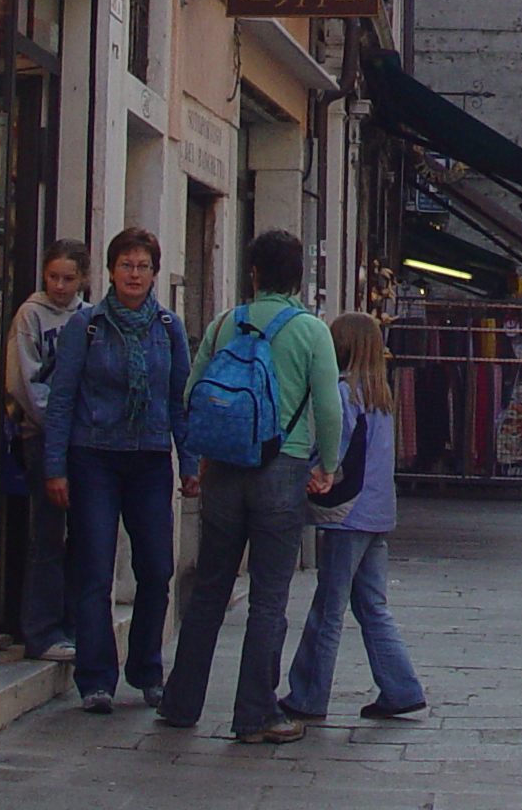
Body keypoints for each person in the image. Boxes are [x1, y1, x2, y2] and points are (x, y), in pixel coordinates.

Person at [160, 230, 343, 744]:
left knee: (210, 591)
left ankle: (180, 703)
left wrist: (195, 460)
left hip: (222, 470)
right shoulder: (311, 331)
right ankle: (254, 714)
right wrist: (326, 465)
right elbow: (328, 406)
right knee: (268, 597)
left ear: (254, 274)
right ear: (299, 278)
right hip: (282, 471)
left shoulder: (224, 324)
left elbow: (193, 391)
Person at [41, 228, 196, 714]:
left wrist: (189, 463)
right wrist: (56, 467)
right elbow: (61, 400)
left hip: (149, 459)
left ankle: (147, 667)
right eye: (126, 265)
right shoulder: (85, 327)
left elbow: (179, 402)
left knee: (156, 568)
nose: (134, 274)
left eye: (143, 266)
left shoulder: (168, 329)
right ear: (110, 271)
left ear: (154, 274)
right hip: (93, 458)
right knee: (94, 569)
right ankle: (95, 679)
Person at [285, 313, 428, 723]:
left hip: (347, 515)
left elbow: (332, 445)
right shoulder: (378, 393)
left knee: (328, 609)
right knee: (371, 606)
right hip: (378, 512)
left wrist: (310, 473)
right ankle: (401, 688)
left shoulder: (342, 392)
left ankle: (308, 695)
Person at [6, 239, 88, 661]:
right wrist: (52, 425)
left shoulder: (88, 319)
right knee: (47, 534)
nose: (59, 285)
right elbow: (23, 379)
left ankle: (73, 624)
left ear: (84, 279)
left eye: (68, 278)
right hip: (40, 436)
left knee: (81, 536)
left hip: (81, 439)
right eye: (53, 276)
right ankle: (40, 630)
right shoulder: (30, 315)